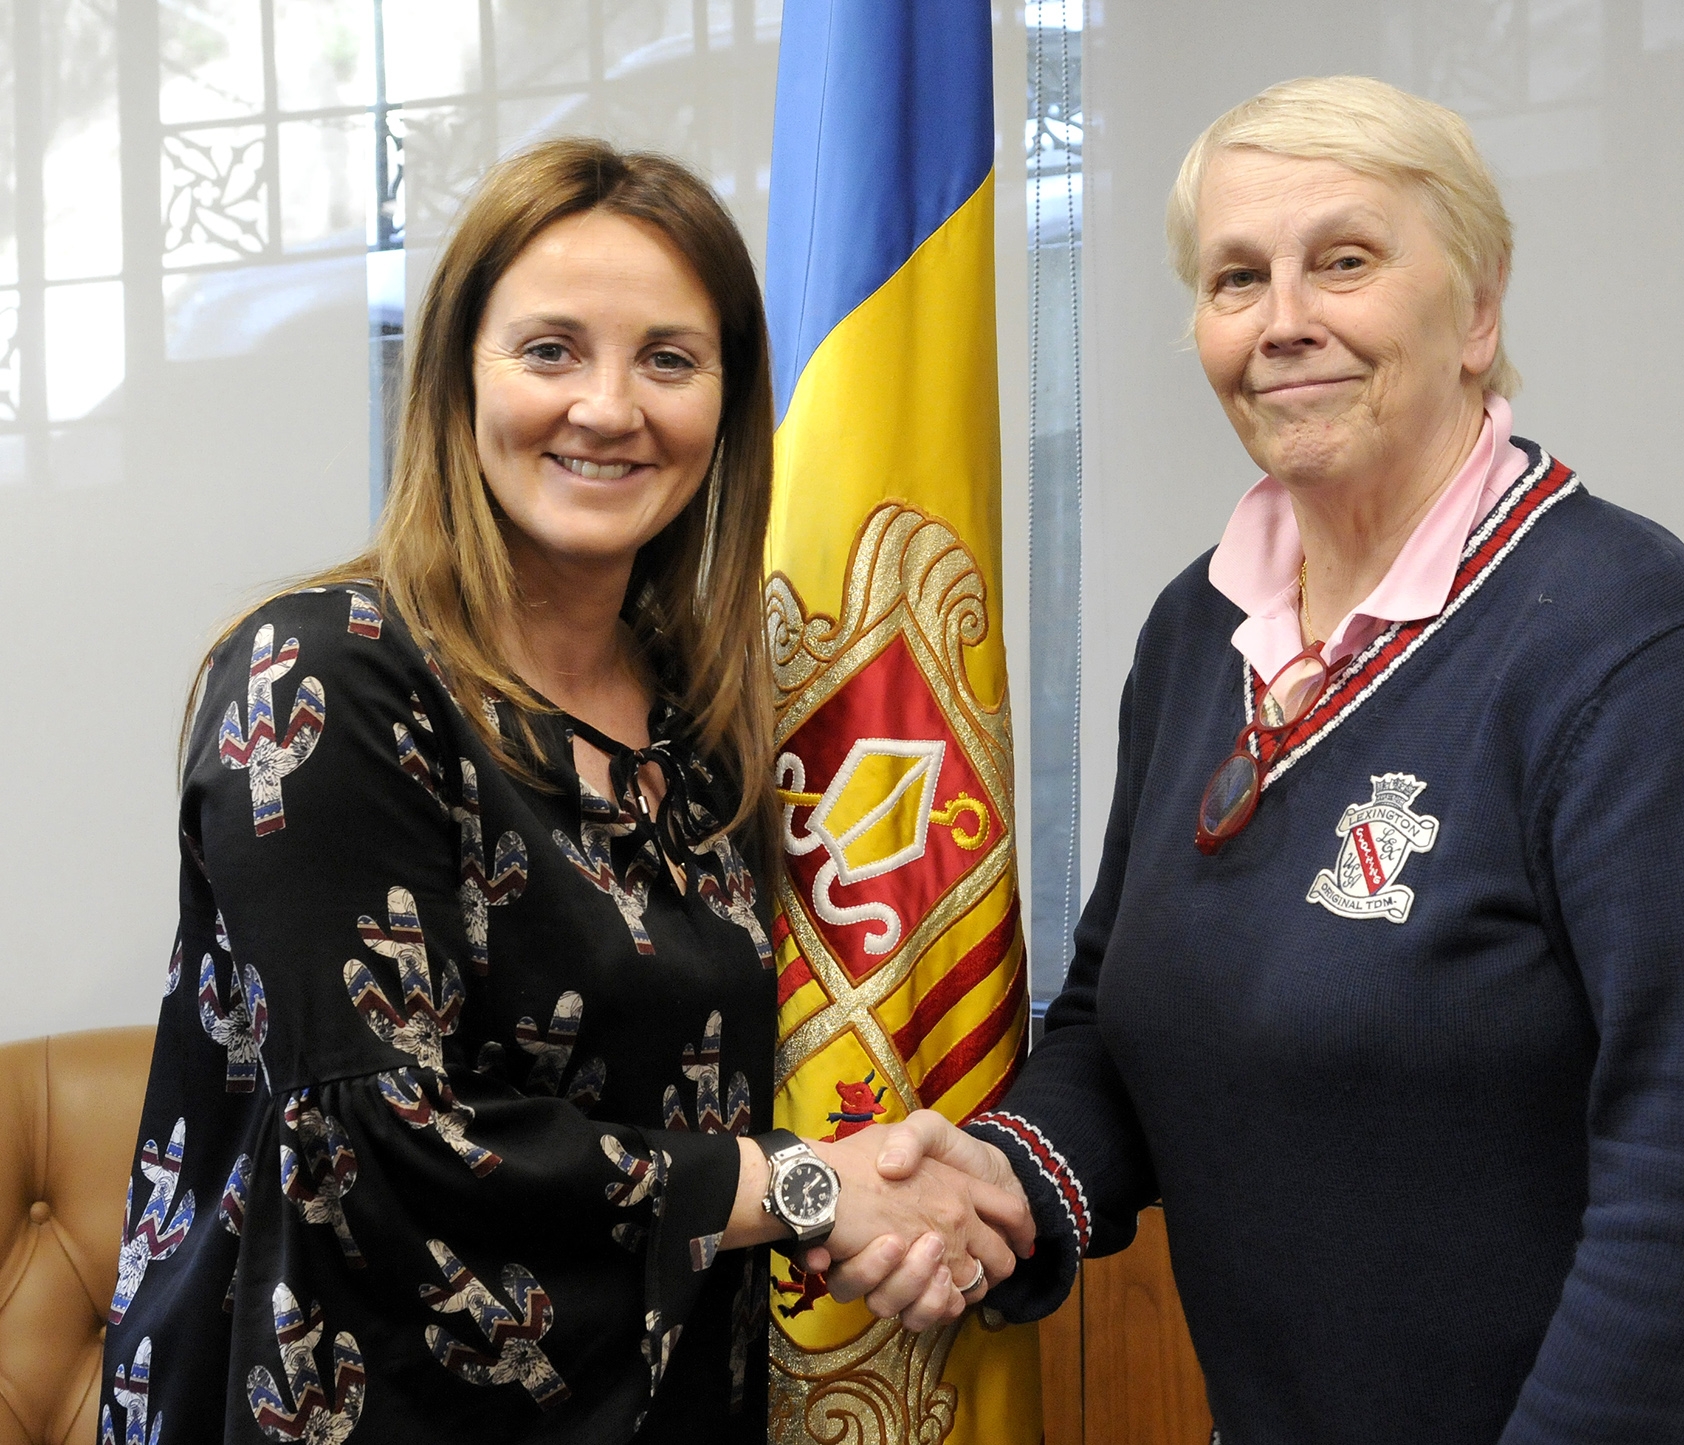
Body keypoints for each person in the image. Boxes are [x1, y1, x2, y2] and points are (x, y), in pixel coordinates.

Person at [830, 76, 1684, 1442]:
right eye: (1236, 278)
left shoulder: (1639, 658)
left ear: (1477, 314)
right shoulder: (1200, 631)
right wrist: (1004, 1177)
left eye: (1346, 262)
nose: (1284, 321)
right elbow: (1119, 1023)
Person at [99, 138, 1027, 1445]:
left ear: (727, 401)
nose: (608, 407)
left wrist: (911, 1194)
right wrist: (815, 1188)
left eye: (667, 358)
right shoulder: (326, 674)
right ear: (454, 382)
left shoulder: (706, 722)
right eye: (550, 351)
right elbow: (384, 1139)